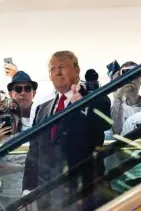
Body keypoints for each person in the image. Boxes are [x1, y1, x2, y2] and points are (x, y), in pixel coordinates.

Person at [23, 51, 111, 210]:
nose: (57, 72)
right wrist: (27, 189)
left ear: (77, 71)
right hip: (47, 197)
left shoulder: (95, 99)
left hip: (82, 193)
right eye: (52, 69)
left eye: (62, 67)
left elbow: (104, 124)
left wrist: (86, 104)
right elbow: (34, 152)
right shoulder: (42, 109)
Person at [0, 98, 27, 209]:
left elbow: (33, 163)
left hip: (18, 189)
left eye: (13, 116)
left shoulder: (25, 136)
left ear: (18, 118)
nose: (9, 121)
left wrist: (16, 168)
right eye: (5, 117)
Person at [106, 61, 141, 140]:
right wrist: (118, 97)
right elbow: (115, 133)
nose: (129, 78)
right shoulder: (111, 106)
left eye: (134, 74)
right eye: (125, 74)